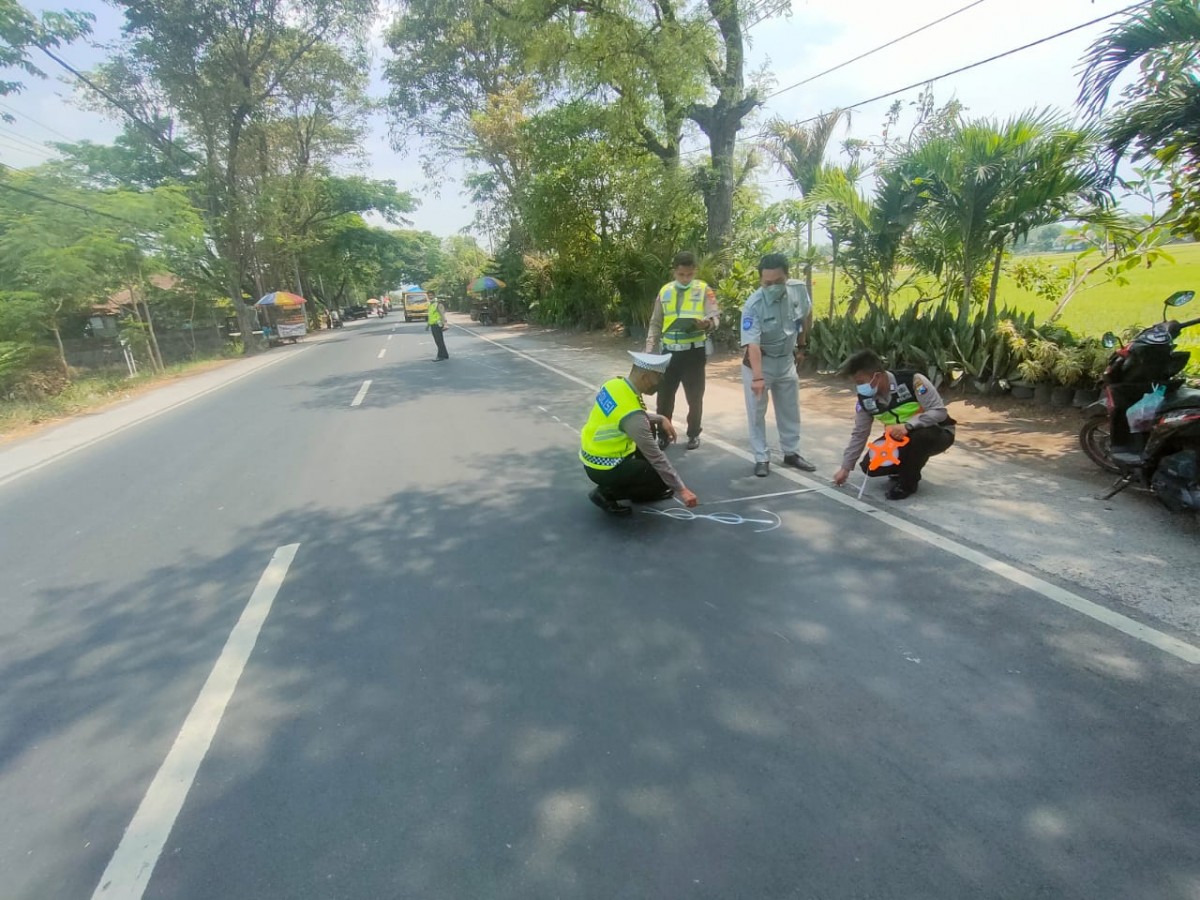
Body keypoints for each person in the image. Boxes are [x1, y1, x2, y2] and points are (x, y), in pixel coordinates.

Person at [580, 351, 701, 516]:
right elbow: (656, 457)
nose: (660, 383)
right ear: (645, 377)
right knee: (660, 478)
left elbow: (623, 416)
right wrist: (682, 490)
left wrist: (659, 418)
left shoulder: (614, 385)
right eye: (658, 377)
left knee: (648, 426)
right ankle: (606, 493)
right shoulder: (633, 414)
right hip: (605, 466)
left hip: (592, 457)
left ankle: (631, 486)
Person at [832, 349, 957, 500]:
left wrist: (909, 425)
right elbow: (860, 433)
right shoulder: (865, 399)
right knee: (870, 467)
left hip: (936, 432)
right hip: (898, 438)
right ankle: (904, 466)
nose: (859, 388)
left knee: (920, 437)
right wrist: (845, 468)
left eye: (860, 382)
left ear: (877, 376)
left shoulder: (914, 381)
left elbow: (939, 412)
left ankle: (907, 483)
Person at [740, 253, 817, 477]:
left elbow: (804, 315)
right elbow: (752, 344)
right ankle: (761, 457)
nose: (773, 286)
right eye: (767, 283)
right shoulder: (753, 305)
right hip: (759, 362)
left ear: (787, 276)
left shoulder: (798, 290)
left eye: (778, 282)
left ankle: (791, 452)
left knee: (790, 409)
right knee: (757, 411)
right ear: (761, 281)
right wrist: (757, 377)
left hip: (785, 360)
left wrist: (802, 346)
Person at [645, 251, 719, 451]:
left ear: (694, 271)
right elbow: (655, 322)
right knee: (664, 397)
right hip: (669, 353)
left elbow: (715, 318)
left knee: (695, 397)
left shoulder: (704, 290)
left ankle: (694, 433)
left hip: (694, 353)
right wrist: (649, 350)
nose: (685, 279)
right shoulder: (665, 292)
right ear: (674, 272)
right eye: (681, 275)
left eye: (689, 274)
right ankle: (663, 435)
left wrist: (707, 324)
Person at [427, 295, 449, 361]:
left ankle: (440, 356)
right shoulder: (430, 305)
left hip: (438, 324)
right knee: (439, 341)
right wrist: (428, 325)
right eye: (429, 296)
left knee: (439, 341)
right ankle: (445, 355)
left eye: (431, 296)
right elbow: (430, 316)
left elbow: (442, 314)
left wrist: (445, 324)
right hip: (433, 324)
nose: (430, 298)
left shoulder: (438, 304)